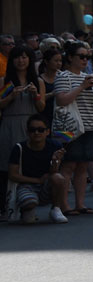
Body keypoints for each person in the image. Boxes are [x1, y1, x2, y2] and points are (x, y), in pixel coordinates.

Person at [54, 42, 93, 215]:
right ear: (70, 57)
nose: (84, 60)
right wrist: (82, 87)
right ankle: (64, 204)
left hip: (88, 125)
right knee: (68, 166)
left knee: (82, 167)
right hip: (68, 126)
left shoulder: (88, 76)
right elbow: (61, 100)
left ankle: (80, 203)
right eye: (81, 56)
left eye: (87, 57)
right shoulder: (63, 76)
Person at [0, 45, 46, 196]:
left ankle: (29, 197)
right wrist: (11, 96)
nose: (21, 61)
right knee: (7, 162)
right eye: (17, 57)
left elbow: (41, 107)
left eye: (25, 57)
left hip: (31, 125)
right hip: (10, 123)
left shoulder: (37, 82)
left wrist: (35, 95)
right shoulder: (4, 81)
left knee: (29, 162)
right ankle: (7, 202)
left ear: (30, 60)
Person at [7, 115, 70, 224]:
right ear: (27, 132)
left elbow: (54, 172)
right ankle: (26, 210)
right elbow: (13, 175)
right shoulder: (19, 148)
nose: (36, 133)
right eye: (33, 130)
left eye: (40, 130)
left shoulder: (55, 145)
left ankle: (56, 208)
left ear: (47, 132)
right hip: (26, 185)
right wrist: (37, 180)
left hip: (46, 185)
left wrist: (55, 160)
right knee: (29, 215)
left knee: (58, 178)